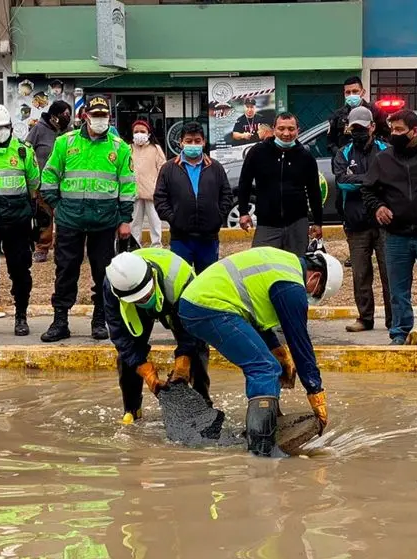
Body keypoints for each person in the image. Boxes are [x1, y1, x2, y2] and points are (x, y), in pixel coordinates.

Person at [178, 246, 342, 457]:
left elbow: (256, 313)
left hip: (199, 303)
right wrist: (315, 392)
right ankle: (261, 448)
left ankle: (266, 425)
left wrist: (277, 351)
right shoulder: (291, 286)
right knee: (264, 367)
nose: (310, 295)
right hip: (209, 306)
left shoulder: (284, 264)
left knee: (269, 364)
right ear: (316, 278)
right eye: (315, 292)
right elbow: (300, 343)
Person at [40, 95, 136, 342]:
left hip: (104, 222)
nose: (100, 120)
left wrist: (125, 219)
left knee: (103, 272)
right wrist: (57, 207)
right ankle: (60, 320)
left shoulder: (119, 147)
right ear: (85, 116)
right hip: (70, 219)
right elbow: (49, 177)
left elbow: (127, 186)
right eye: (95, 115)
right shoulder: (65, 142)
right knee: (65, 270)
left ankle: (99, 319)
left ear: (109, 118)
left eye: (104, 116)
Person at [103, 249, 211, 424]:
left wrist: (183, 363)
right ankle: (132, 410)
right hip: (137, 308)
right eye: (138, 299)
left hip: (175, 299)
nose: (143, 301)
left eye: (145, 296)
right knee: (127, 357)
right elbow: (120, 335)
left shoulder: (180, 279)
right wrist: (147, 373)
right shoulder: (113, 286)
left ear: (151, 277)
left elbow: (194, 330)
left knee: (197, 350)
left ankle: (203, 404)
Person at [362, 109, 417, 345]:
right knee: (398, 290)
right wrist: (378, 206)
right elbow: (367, 189)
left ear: (414, 131)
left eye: (399, 130)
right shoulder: (383, 159)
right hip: (396, 235)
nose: (394, 134)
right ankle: (399, 333)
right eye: (392, 130)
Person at [0, 104, 41, 337]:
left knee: (20, 271)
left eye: (5, 127)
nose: (1, 131)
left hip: (17, 224)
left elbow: (34, 184)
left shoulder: (23, 151)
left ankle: (21, 317)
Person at [332, 106, 391, 332]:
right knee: (360, 274)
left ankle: (392, 321)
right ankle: (365, 319)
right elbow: (342, 181)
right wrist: (372, 179)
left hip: (385, 223)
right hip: (356, 225)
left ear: (372, 128)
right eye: (354, 128)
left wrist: (362, 180)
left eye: (362, 128)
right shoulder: (343, 153)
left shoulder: (386, 150)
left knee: (389, 273)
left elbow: (390, 180)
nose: (357, 132)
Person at [237, 113, 323, 257]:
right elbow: (244, 183)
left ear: (298, 130)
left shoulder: (306, 157)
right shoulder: (257, 152)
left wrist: (318, 222)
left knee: (296, 268)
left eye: (291, 129)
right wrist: (243, 212)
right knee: (263, 268)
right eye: (281, 128)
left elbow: (314, 190)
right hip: (267, 223)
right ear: (273, 129)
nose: (286, 133)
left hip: (297, 223)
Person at [154, 122, 233, 275]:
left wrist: (218, 217)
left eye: (197, 141)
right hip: (180, 238)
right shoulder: (169, 168)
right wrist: (173, 218)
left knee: (207, 280)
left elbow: (227, 195)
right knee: (180, 280)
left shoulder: (215, 167)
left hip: (209, 238)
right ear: (181, 142)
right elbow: (160, 198)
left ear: (203, 142)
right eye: (189, 141)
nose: (193, 144)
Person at [25, 100, 71, 263]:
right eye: (65, 114)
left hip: (64, 184)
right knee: (44, 216)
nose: (68, 118)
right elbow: (27, 152)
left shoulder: (69, 133)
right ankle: (42, 247)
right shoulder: (38, 129)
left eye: (69, 115)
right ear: (54, 115)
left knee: (64, 217)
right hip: (42, 183)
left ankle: (63, 247)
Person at [326, 76, 391, 155]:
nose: (351, 95)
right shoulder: (338, 115)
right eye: (348, 92)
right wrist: (340, 154)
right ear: (344, 93)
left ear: (363, 92)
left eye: (355, 91)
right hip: (346, 161)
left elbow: (388, 136)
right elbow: (330, 142)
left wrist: (378, 152)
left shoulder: (376, 112)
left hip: (372, 159)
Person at [129, 120, 167, 249]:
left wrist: (159, 188)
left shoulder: (155, 149)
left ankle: (156, 245)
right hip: (134, 192)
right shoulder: (128, 149)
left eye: (142, 131)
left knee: (155, 221)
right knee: (134, 222)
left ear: (149, 134)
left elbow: (163, 169)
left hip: (152, 192)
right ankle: (135, 246)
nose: (139, 134)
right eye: (136, 132)